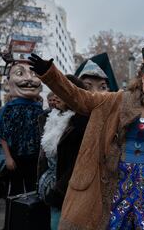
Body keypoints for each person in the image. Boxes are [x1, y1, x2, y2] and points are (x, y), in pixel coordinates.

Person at [28, 45, 144, 229]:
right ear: (143, 76)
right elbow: (79, 97)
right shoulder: (115, 100)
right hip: (117, 179)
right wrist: (50, 74)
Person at [38, 75, 90, 230]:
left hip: (67, 188)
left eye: (61, 92)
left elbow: (80, 162)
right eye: (55, 92)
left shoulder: (81, 122)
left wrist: (59, 189)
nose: (55, 96)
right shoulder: (50, 117)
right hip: (50, 186)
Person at [0, 58, 43, 196]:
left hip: (34, 158)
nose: (29, 79)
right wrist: (8, 157)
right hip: (16, 156)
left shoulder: (39, 109)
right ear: (8, 83)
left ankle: (30, 217)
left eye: (34, 74)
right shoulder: (9, 109)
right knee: (15, 191)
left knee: (32, 191)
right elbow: (3, 134)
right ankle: (14, 217)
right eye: (20, 73)